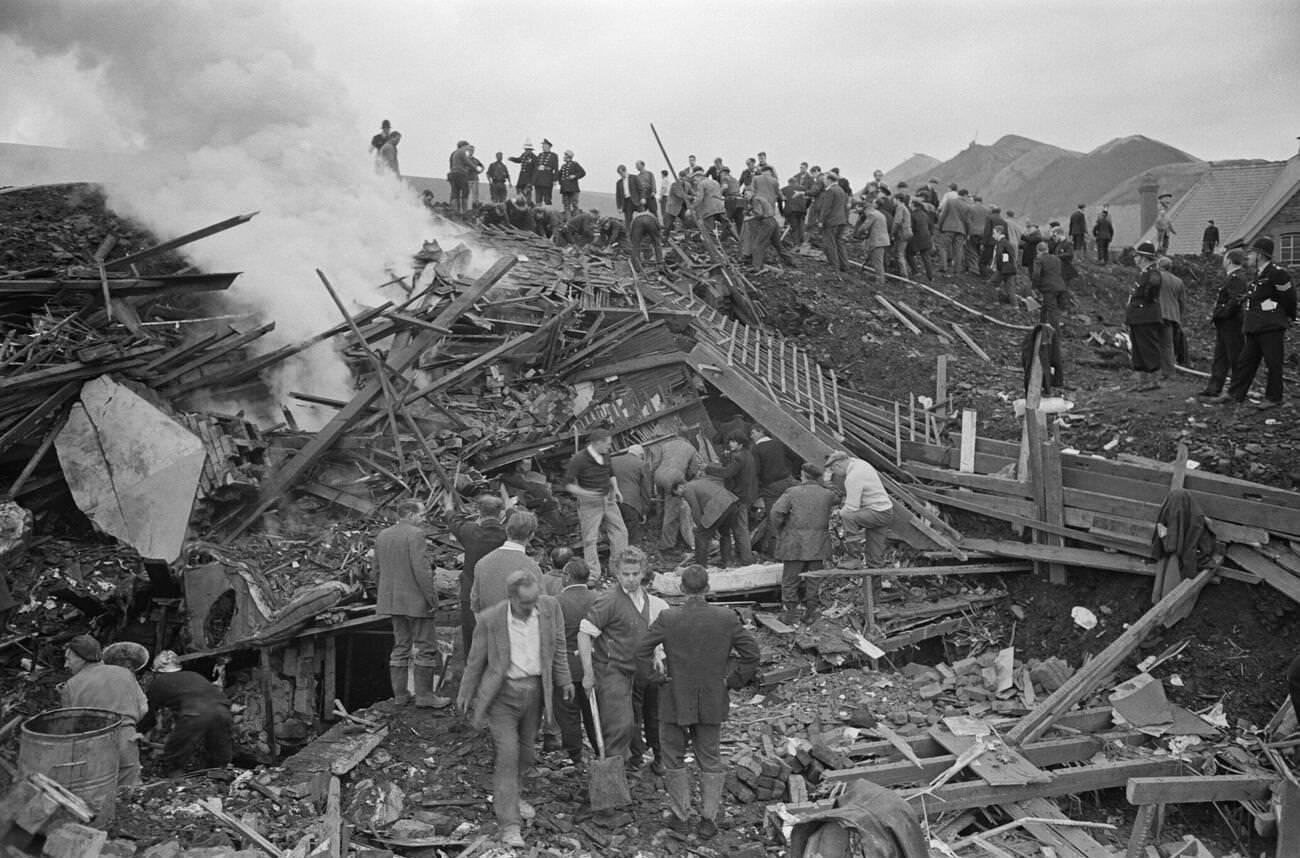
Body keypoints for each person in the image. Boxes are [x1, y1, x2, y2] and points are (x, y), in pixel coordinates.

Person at [636, 565, 759, 838]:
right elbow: (751, 653)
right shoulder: (726, 617)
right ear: (707, 588)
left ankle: (681, 816)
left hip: (674, 697)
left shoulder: (669, 617)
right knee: (710, 758)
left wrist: (655, 677)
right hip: (712, 698)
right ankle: (708, 819)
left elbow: (642, 650)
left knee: (673, 757)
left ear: (681, 589)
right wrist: (732, 680)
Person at [457, 570, 573, 849]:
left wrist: (565, 679)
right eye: (525, 604)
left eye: (535, 601)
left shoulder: (547, 610)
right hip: (503, 699)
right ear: (510, 598)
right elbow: (475, 661)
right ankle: (509, 825)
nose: (532, 607)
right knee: (507, 757)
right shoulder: (491, 620)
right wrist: (465, 694)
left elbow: (557, 648)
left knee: (527, 755)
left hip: (534, 695)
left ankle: (513, 794)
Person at [577, 547, 667, 771]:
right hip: (613, 669)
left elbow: (645, 632)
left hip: (637, 668)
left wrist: (655, 654)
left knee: (638, 721)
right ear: (616, 574)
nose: (631, 579)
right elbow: (584, 634)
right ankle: (610, 779)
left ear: (643, 572)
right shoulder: (609, 599)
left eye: (635, 573)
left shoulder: (644, 598)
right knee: (620, 725)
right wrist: (588, 674)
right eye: (626, 574)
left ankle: (626, 767)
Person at [375, 499, 449, 709]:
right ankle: (425, 696)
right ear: (409, 514)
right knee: (426, 647)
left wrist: (385, 595)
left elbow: (376, 570)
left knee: (401, 646)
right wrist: (432, 598)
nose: (424, 518)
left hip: (392, 601)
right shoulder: (415, 534)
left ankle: (400, 695)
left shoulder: (383, 535)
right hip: (415, 600)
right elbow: (422, 570)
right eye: (422, 514)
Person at [60, 634, 147, 787]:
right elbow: (143, 708)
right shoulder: (125, 673)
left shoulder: (71, 685)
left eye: (68, 659)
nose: (66, 665)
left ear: (81, 658)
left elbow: (70, 728)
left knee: (97, 796)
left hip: (94, 747)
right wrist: (128, 725)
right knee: (129, 794)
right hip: (126, 744)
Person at [1221, 236, 1296, 410]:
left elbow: (1289, 298)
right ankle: (1235, 394)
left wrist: (1287, 316)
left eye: (1252, 253)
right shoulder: (1258, 274)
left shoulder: (1278, 273)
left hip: (1270, 326)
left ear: (1260, 255)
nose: (1249, 257)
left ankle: (1274, 397)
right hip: (1255, 325)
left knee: (1273, 362)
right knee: (1246, 361)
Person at [139, 651, 233, 779]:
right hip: (223, 711)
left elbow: (149, 715)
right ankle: (218, 784)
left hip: (195, 713)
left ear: (158, 672)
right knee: (219, 755)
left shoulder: (159, 683)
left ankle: (176, 785)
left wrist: (138, 731)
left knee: (174, 755)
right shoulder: (194, 675)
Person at [769, 464, 840, 624]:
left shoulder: (792, 493)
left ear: (803, 475)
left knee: (790, 580)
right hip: (818, 544)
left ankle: (790, 614)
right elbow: (839, 496)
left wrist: (781, 528)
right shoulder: (827, 494)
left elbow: (776, 512)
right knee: (813, 579)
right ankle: (810, 612)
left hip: (794, 543)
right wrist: (825, 483)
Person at [564, 428, 629, 580]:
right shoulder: (579, 459)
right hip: (589, 503)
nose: (609, 447)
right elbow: (568, 484)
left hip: (608, 498)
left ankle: (617, 568)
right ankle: (593, 574)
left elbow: (610, 473)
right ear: (597, 443)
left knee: (620, 532)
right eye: (607, 444)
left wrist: (616, 489)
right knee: (590, 539)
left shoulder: (605, 455)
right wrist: (587, 494)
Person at [554, 559, 598, 767]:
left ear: (568, 577)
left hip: (566, 666)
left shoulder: (557, 602)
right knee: (594, 711)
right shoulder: (599, 599)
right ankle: (600, 749)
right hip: (593, 664)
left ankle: (575, 755)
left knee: (568, 712)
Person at [452, 495, 507, 657]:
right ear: (500, 514)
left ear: (479, 512)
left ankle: (473, 675)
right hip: (500, 594)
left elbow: (454, 522)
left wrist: (449, 508)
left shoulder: (469, 531)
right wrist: (509, 509)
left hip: (470, 593)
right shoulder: (507, 534)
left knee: (472, 639)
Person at [824, 451, 894, 568]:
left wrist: (837, 514)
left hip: (877, 512)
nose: (835, 473)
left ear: (837, 465)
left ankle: (854, 558)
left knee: (848, 518)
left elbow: (852, 507)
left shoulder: (853, 477)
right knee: (874, 559)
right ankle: (875, 584)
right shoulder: (859, 463)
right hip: (884, 510)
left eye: (833, 470)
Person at [1200, 249, 1251, 398]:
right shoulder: (1232, 277)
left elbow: (1236, 300)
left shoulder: (1236, 277)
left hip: (1232, 323)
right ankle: (1214, 387)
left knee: (1235, 356)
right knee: (1220, 356)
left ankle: (1236, 391)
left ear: (1229, 260)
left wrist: (1222, 313)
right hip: (1225, 323)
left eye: (1224, 258)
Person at [471, 510, 543, 611]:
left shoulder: (482, 563)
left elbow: (475, 605)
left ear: (507, 530)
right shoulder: (532, 568)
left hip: (490, 624)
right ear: (531, 535)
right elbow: (540, 607)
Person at [675, 476, 752, 568]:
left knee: (700, 535)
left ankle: (700, 566)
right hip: (731, 501)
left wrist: (701, 526)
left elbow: (695, 509)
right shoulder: (699, 482)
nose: (680, 497)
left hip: (718, 505)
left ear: (680, 487)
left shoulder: (687, 489)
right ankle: (727, 561)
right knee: (725, 533)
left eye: (677, 494)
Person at [705, 434, 759, 560]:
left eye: (733, 442)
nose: (730, 444)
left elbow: (727, 472)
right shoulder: (748, 454)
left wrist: (707, 468)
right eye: (730, 441)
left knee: (740, 528)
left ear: (740, 444)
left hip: (738, 496)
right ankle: (743, 555)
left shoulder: (739, 457)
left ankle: (746, 559)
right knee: (739, 527)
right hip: (746, 494)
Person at [1125, 242, 1167, 391]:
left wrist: (1143, 303)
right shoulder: (1143, 274)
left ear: (1143, 258)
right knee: (1138, 349)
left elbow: (1150, 292)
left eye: (1137, 256)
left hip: (1146, 315)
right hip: (1138, 316)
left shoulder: (1152, 273)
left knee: (1148, 348)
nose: (1135, 259)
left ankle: (1153, 380)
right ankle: (1141, 380)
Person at [654, 428, 702, 553]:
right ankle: (667, 545)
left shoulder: (665, 445)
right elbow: (693, 470)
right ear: (687, 438)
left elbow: (655, 463)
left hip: (658, 476)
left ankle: (658, 524)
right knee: (673, 512)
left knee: (663, 504)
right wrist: (686, 480)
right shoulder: (691, 448)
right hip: (674, 478)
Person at [1031, 242, 1069, 385]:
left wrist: (1034, 287)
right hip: (1060, 285)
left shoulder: (1039, 259)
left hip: (1049, 287)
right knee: (1047, 308)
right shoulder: (1056, 258)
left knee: (1051, 310)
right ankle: (1041, 324)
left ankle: (1055, 333)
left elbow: (1036, 274)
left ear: (1038, 251)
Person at [611, 444, 653, 546]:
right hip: (630, 502)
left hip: (611, 500)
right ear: (640, 454)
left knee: (615, 530)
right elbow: (646, 490)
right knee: (632, 532)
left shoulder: (612, 460)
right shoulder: (642, 464)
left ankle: (617, 554)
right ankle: (631, 554)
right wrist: (645, 510)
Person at [1156, 256, 1187, 384]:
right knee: (1168, 345)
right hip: (1171, 317)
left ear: (1159, 266)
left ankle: (1154, 372)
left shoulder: (1155, 277)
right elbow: (1182, 302)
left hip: (1155, 314)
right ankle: (1168, 371)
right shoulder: (1178, 281)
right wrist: (1179, 317)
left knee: (1152, 343)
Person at [811, 177, 849, 273]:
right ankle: (844, 266)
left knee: (830, 244)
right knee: (839, 244)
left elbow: (826, 208)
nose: (824, 182)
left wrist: (821, 221)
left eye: (824, 180)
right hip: (841, 221)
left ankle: (835, 267)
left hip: (831, 222)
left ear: (829, 180)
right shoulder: (841, 190)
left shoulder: (830, 191)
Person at [936, 189, 970, 275]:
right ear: (965, 195)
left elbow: (944, 214)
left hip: (948, 228)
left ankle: (943, 267)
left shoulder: (950, 201)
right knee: (958, 250)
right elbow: (967, 221)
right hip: (961, 230)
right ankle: (957, 270)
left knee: (942, 246)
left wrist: (939, 226)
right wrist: (967, 233)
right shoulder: (967, 206)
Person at [858, 200, 890, 287]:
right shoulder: (879, 214)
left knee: (878, 262)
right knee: (876, 260)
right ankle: (878, 278)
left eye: (864, 212)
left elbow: (864, 227)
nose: (864, 214)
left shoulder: (872, 215)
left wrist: (859, 233)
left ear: (866, 210)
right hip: (883, 240)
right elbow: (876, 227)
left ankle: (880, 282)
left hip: (877, 241)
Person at [989, 224, 1019, 304]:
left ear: (999, 232)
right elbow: (1011, 256)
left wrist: (997, 267)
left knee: (992, 283)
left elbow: (999, 256)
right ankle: (1015, 306)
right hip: (1011, 269)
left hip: (1003, 269)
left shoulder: (1001, 243)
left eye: (994, 233)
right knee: (1010, 289)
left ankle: (995, 302)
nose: (993, 235)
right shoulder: (1006, 243)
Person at [908, 196, 935, 281]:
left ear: (913, 205)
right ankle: (930, 276)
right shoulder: (925, 214)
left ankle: (915, 271)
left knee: (908, 253)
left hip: (917, 239)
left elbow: (911, 228)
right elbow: (931, 227)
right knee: (926, 258)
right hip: (927, 238)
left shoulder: (912, 215)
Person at [558, 150, 586, 216]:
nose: (564, 157)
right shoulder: (563, 166)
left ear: (568, 156)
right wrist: (561, 183)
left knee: (575, 205)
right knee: (566, 205)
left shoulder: (575, 164)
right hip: (565, 189)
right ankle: (568, 221)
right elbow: (559, 176)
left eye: (565, 155)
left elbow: (582, 172)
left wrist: (575, 176)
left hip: (573, 188)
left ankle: (576, 220)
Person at [533, 139, 559, 206]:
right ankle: (538, 213)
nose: (543, 147)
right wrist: (533, 181)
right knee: (538, 199)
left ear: (549, 146)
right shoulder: (540, 155)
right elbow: (535, 168)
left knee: (547, 199)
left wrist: (555, 179)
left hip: (547, 180)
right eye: (543, 145)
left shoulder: (553, 156)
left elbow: (556, 169)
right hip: (538, 180)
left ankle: (548, 214)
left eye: (544, 145)